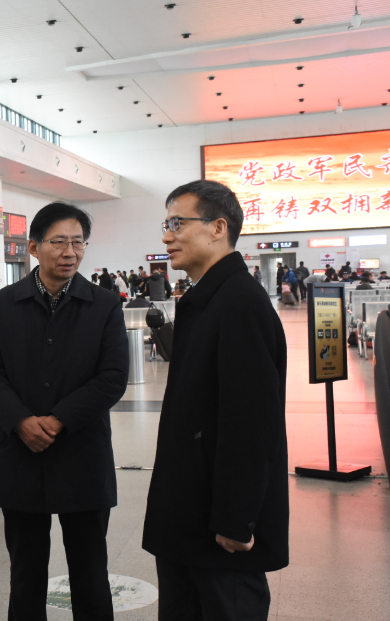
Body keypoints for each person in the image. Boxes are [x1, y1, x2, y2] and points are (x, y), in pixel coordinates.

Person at [0, 202, 129, 621]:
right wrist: (21, 420)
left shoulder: (104, 305)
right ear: (34, 247)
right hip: (21, 455)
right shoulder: (4, 305)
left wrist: (59, 420)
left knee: (90, 573)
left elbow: (113, 377)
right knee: (25, 574)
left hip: (83, 454)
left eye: (78, 242)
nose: (70, 252)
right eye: (59, 242)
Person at [144, 179, 288, 621]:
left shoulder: (239, 303)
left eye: (177, 224)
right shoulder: (208, 299)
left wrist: (235, 519)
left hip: (219, 532)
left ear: (218, 228)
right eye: (165, 225)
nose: (166, 237)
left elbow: (251, 423)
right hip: (190, 514)